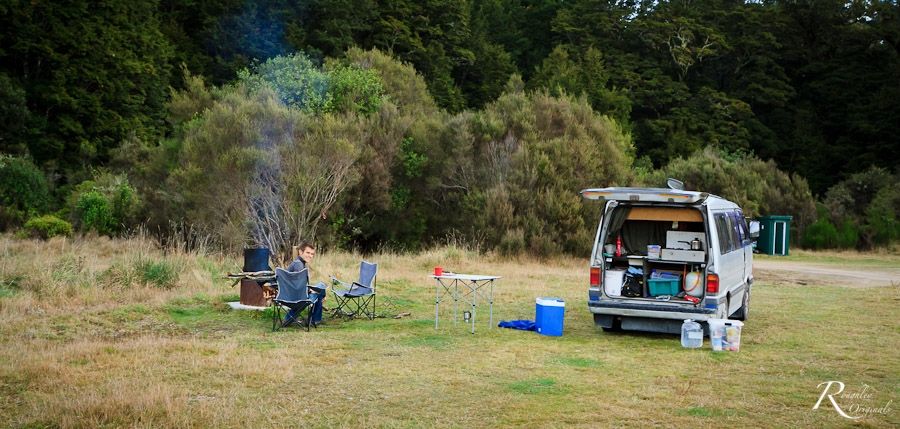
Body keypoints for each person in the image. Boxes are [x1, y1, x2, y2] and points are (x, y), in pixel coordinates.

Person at [284, 241, 327, 326]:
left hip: (292, 295)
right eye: (308, 253)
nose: (310, 256)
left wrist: (311, 290)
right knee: (320, 289)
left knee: (321, 286)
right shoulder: (298, 265)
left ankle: (314, 319)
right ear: (300, 252)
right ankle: (315, 320)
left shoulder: (299, 263)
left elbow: (298, 284)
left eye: (312, 254)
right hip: (297, 298)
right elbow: (299, 287)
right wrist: (311, 291)